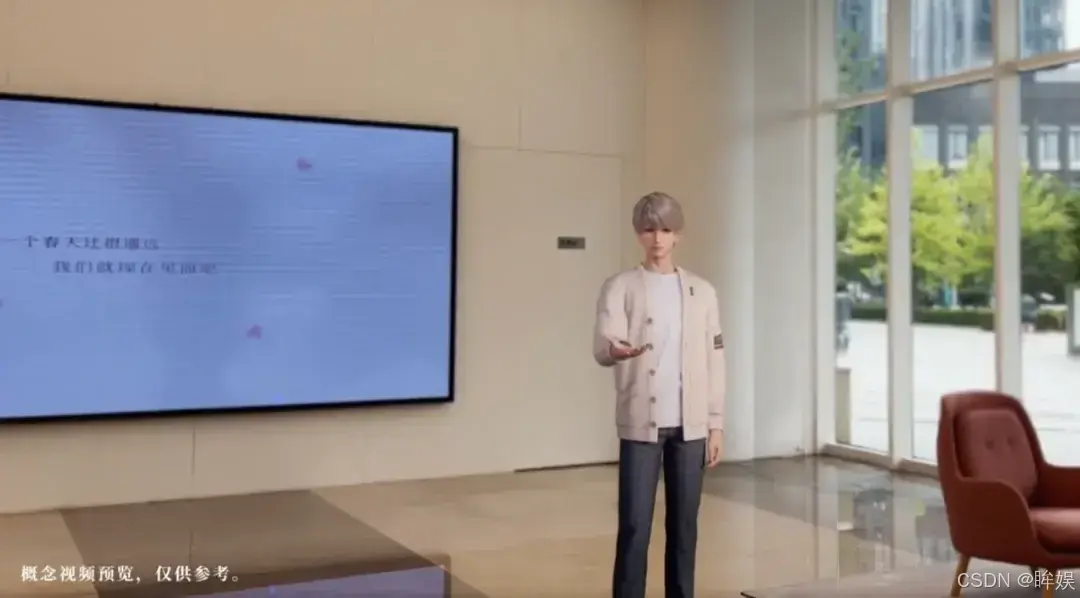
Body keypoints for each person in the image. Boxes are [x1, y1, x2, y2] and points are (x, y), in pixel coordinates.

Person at [592, 191, 726, 598]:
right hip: (640, 425)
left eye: (665, 230)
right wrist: (616, 349)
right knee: (634, 526)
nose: (657, 238)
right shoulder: (620, 286)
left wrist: (715, 423)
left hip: (691, 428)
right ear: (638, 233)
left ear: (677, 235)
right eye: (649, 229)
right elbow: (604, 343)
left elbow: (715, 360)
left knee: (685, 527)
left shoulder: (702, 291)